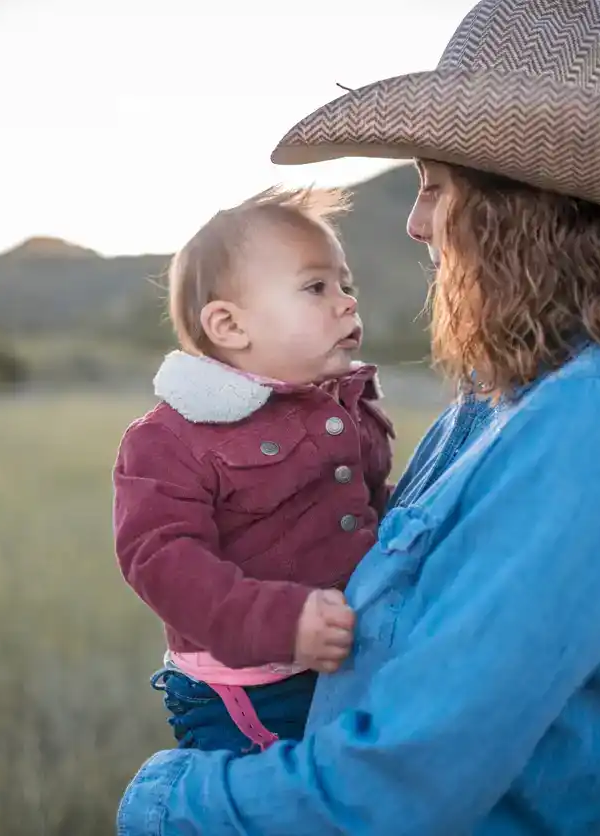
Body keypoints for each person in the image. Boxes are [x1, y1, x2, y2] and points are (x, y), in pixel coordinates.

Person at [114, 0, 600, 832]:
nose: (414, 222)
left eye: (435, 186)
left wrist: (161, 801)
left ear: (520, 205)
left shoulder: (599, 425)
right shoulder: (504, 396)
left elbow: (395, 789)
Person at [112, 186, 397, 754]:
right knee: (282, 796)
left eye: (345, 286)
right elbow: (162, 561)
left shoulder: (340, 405)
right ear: (229, 326)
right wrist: (282, 624)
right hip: (249, 690)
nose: (346, 302)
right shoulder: (171, 438)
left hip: (345, 651)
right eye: (315, 287)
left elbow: (364, 504)